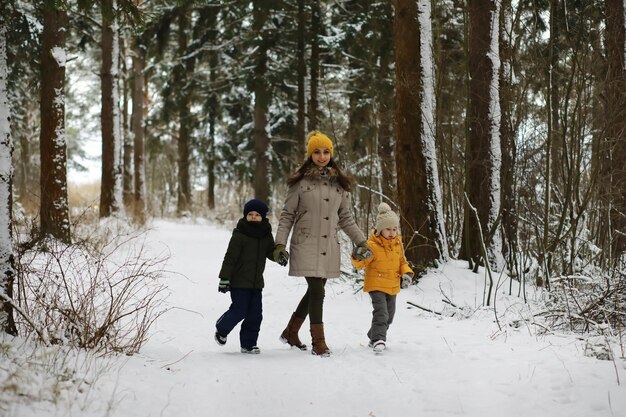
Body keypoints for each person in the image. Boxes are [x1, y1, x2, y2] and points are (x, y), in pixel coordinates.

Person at [273, 130, 371, 357]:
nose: (321, 156)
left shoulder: (339, 184)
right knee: (317, 290)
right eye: (316, 152)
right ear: (310, 154)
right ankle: (319, 342)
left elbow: (346, 218)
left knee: (315, 290)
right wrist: (280, 245)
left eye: (326, 151)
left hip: (328, 245)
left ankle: (290, 332)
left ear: (331, 153)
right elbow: (287, 215)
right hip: (305, 242)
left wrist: (362, 242)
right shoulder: (300, 182)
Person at [215, 199, 284, 354]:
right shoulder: (240, 234)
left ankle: (248, 344)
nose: (253, 217)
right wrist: (224, 278)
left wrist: (279, 255)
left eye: (257, 215)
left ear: (263, 217)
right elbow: (230, 258)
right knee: (239, 311)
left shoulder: (265, 235)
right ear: (245, 215)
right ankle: (221, 328)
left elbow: (270, 252)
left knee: (255, 315)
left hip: (256, 283)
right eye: (250, 214)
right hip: (238, 282)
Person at [351, 202, 414, 354]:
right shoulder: (372, 246)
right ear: (380, 230)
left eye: (394, 229)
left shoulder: (398, 244)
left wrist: (407, 273)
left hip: (392, 285)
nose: (392, 232)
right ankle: (379, 340)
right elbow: (360, 264)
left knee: (389, 316)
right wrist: (357, 255)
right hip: (376, 285)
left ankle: (373, 335)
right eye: (388, 229)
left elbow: (402, 262)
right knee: (382, 313)